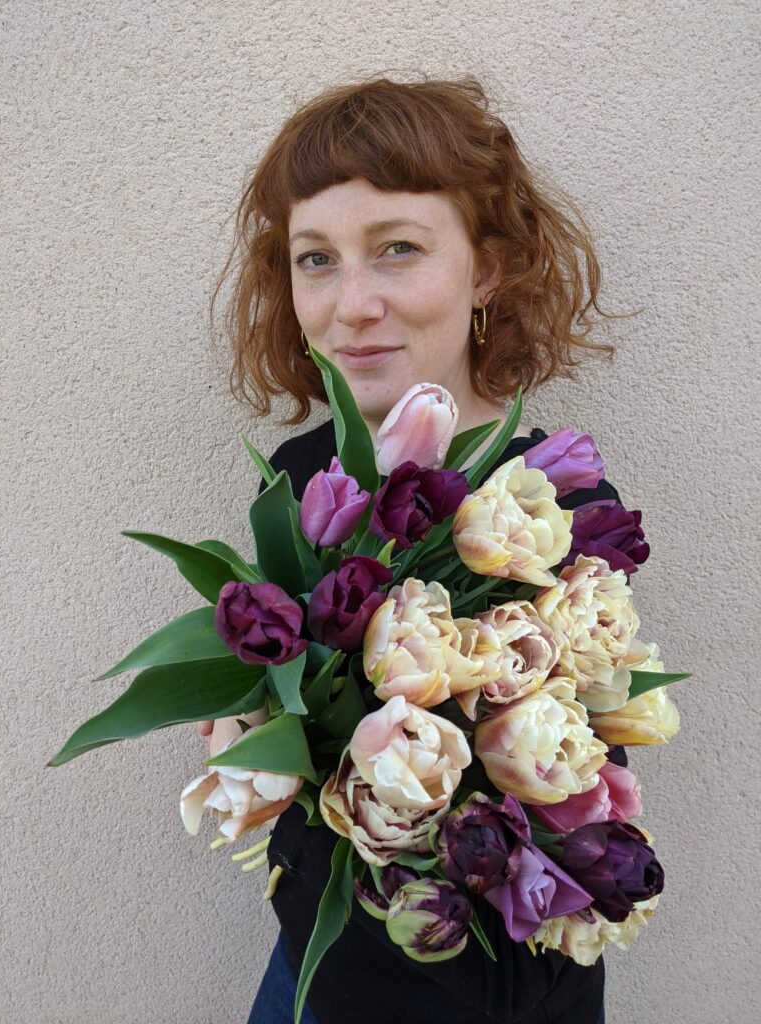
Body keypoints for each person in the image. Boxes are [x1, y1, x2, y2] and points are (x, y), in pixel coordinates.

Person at [200, 76, 633, 1024]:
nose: (352, 303)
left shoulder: (558, 510)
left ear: (488, 270)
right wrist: (248, 735)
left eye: (397, 248)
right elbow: (281, 704)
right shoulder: (301, 478)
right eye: (316, 259)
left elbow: (568, 808)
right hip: (311, 977)